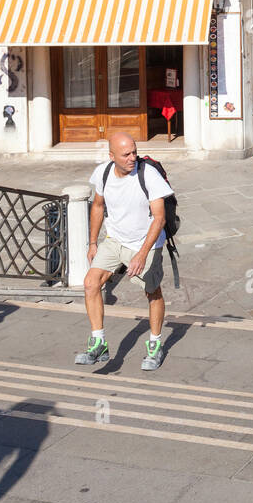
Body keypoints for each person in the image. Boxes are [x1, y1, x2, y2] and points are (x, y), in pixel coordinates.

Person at [76, 131, 174, 371]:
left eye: (134, 152)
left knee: (152, 292)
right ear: (112, 156)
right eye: (126, 154)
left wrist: (142, 254)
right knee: (91, 283)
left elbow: (159, 219)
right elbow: (98, 206)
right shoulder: (103, 172)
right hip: (115, 239)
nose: (132, 157)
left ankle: (155, 344)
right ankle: (98, 342)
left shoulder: (147, 174)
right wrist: (92, 242)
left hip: (145, 242)